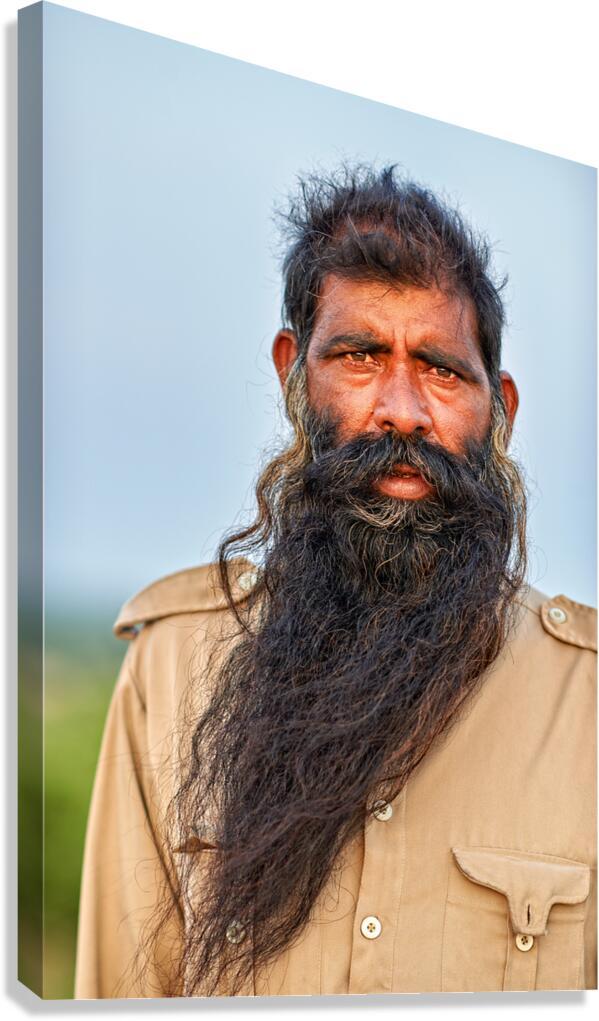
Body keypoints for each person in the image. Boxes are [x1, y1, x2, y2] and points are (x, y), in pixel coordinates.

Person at [74, 164, 596, 999]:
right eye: (358, 355)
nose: (400, 408)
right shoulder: (167, 669)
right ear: (293, 372)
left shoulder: (588, 703)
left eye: (439, 368)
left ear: (497, 408)